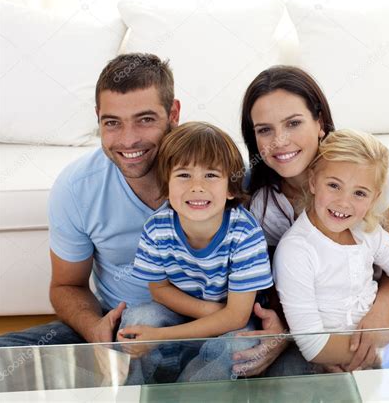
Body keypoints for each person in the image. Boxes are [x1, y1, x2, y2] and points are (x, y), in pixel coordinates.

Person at [234, 65, 389, 375]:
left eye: (293, 123)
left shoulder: (372, 171)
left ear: (320, 122)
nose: (279, 141)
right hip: (328, 333)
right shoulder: (260, 204)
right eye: (264, 129)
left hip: (387, 320)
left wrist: (380, 318)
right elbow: (283, 295)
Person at [0, 53, 180, 347]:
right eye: (112, 123)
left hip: (213, 326)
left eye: (145, 120)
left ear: (173, 113)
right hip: (120, 326)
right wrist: (96, 328)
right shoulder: (76, 187)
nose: (128, 140)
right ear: (98, 117)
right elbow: (66, 285)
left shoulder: (217, 171)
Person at [273, 129, 389, 368]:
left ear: (374, 198)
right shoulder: (296, 250)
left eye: (359, 193)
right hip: (369, 355)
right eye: (334, 185)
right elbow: (312, 345)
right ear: (313, 181)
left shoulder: (367, 232)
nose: (343, 202)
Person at [116, 122, 273, 382]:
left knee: (238, 346)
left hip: (233, 319)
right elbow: (159, 290)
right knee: (139, 318)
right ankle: (141, 391)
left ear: (231, 189)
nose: (196, 187)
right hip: (193, 310)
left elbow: (236, 316)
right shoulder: (157, 228)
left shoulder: (244, 234)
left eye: (211, 175)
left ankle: (189, 389)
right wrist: (208, 311)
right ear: (166, 186)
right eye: (183, 175)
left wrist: (161, 336)